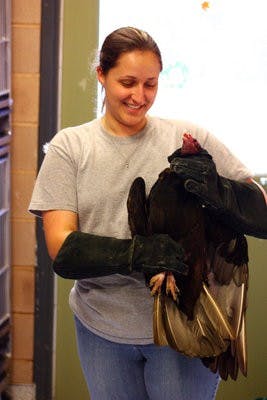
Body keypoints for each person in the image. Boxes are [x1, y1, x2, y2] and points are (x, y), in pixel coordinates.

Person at [29, 26, 267, 400]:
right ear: (101, 75)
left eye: (150, 84)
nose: (139, 96)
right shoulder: (70, 148)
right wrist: (135, 254)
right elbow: (62, 248)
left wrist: (219, 190)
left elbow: (262, 213)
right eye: (128, 82)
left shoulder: (187, 137)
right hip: (102, 328)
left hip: (186, 319)